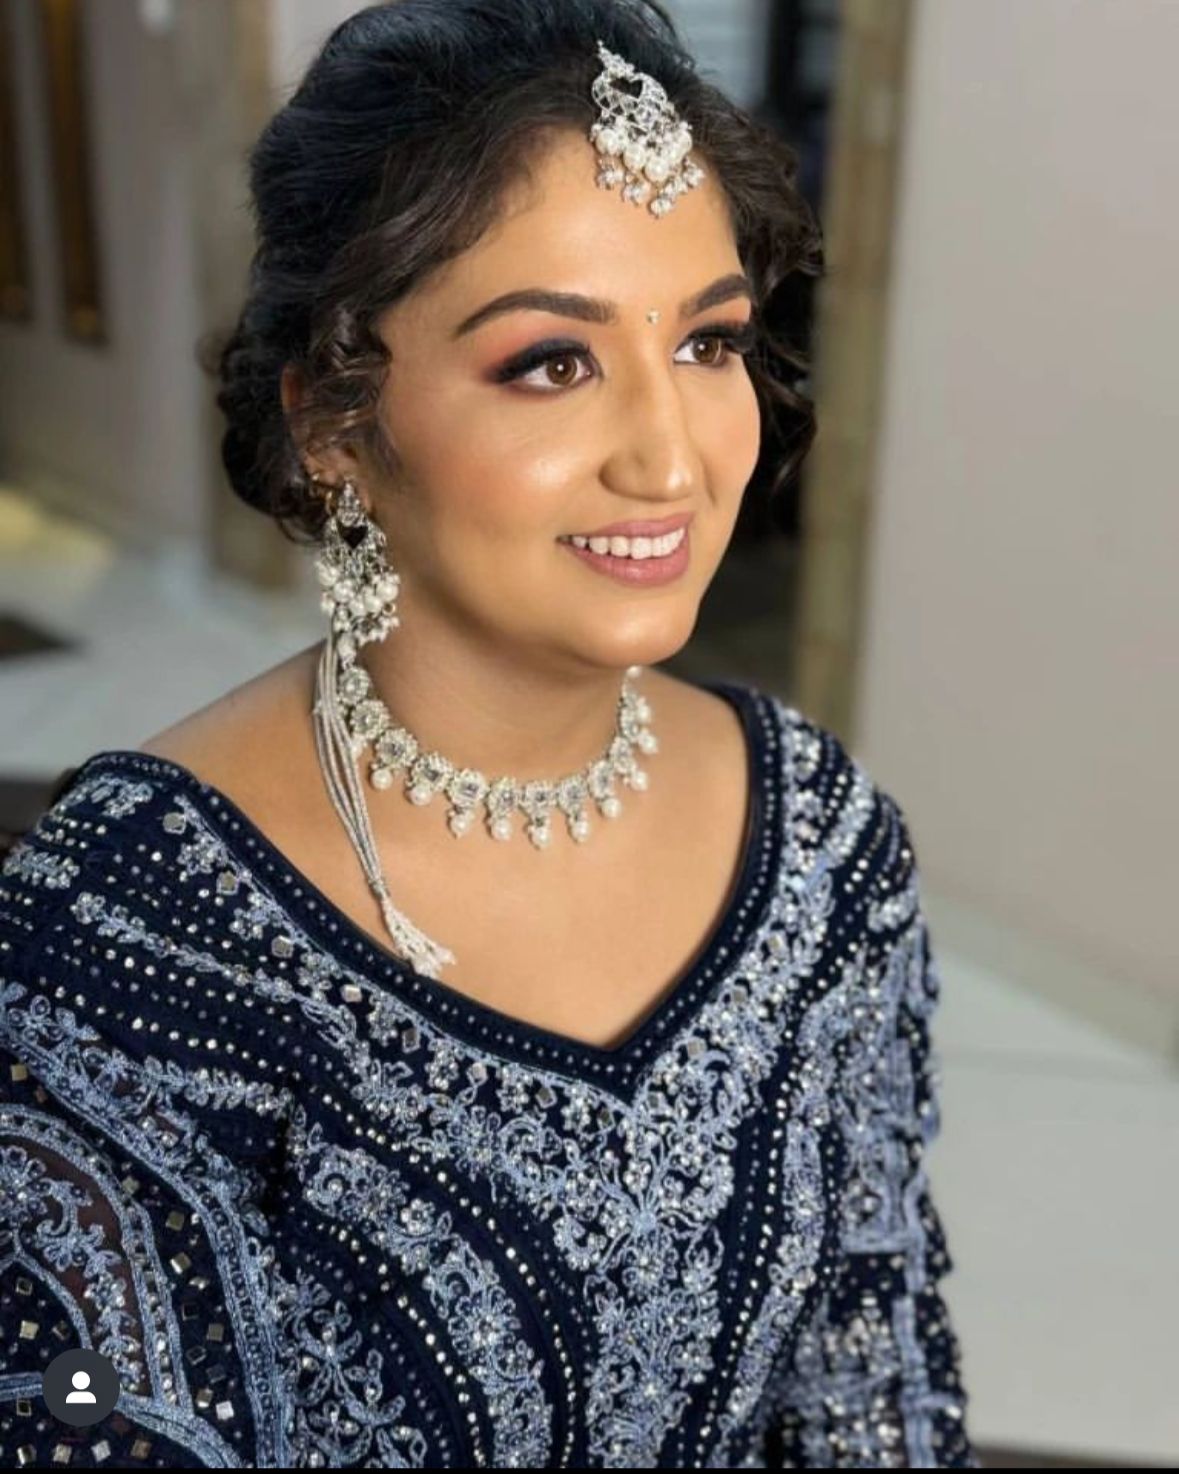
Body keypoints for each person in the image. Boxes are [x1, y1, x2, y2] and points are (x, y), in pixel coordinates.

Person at [0, 0, 980, 1465]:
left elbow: (869, 1383)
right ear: (335, 422)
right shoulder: (123, 930)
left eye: (707, 341)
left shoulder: (823, 842)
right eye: (551, 362)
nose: (669, 458)